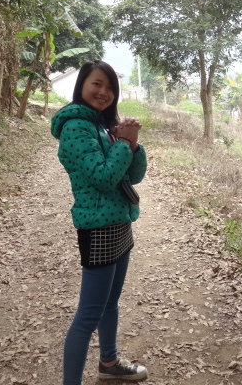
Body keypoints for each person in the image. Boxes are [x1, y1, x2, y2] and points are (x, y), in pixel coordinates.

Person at [50, 60, 148, 384]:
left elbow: (133, 175)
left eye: (109, 87)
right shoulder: (75, 128)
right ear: (81, 85)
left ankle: (109, 362)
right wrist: (123, 144)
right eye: (97, 84)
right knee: (88, 315)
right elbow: (105, 178)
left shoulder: (103, 125)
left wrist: (133, 143)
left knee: (110, 304)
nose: (104, 92)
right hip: (98, 228)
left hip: (120, 223)